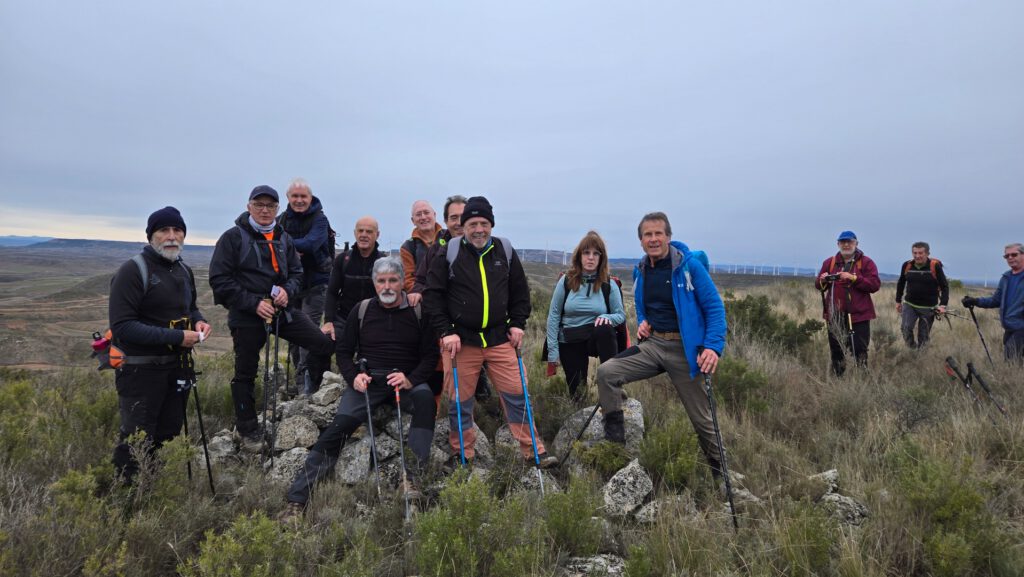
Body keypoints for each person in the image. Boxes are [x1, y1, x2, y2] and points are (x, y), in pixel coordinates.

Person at [281, 257, 438, 520]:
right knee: (339, 427)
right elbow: (343, 352)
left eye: (393, 280)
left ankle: (411, 480)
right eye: (381, 281)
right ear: (374, 283)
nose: (387, 286)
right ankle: (297, 501)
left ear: (402, 282)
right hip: (368, 382)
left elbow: (431, 356)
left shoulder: (419, 312)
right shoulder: (361, 310)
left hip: (405, 381)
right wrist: (354, 377)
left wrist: (411, 379)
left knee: (426, 403)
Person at [424, 196, 557, 468]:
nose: (478, 230)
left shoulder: (504, 251)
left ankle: (533, 452)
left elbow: (520, 294)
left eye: (484, 223)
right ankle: (463, 455)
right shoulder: (448, 253)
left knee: (518, 395)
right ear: (464, 226)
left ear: (491, 225)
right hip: (461, 342)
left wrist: (517, 324)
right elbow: (433, 296)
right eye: (472, 224)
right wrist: (446, 331)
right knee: (460, 402)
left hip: (499, 339)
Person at [593, 212, 727, 480]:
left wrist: (712, 347)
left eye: (658, 233)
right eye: (648, 235)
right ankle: (615, 450)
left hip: (686, 351)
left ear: (668, 236)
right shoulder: (641, 270)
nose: (653, 239)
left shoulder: (688, 267)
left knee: (702, 419)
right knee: (607, 372)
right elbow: (642, 306)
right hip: (653, 345)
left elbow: (714, 308)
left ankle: (720, 473)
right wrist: (644, 322)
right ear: (641, 240)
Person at [209, 185, 334, 452]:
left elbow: (297, 273)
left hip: (281, 310)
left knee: (321, 343)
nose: (265, 210)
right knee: (245, 372)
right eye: (259, 205)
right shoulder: (232, 238)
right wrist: (253, 304)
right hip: (247, 314)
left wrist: (288, 291)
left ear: (277, 209)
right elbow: (219, 280)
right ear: (249, 206)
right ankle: (248, 429)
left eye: (270, 206)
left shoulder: (283, 237)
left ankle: (317, 398)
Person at [109, 206, 212, 482]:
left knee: (167, 433)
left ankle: (150, 488)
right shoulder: (132, 271)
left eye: (178, 230)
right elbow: (123, 326)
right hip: (140, 371)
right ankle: (127, 497)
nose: (172, 236)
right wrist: (177, 337)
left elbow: (190, 308)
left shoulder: (183, 270)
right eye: (164, 230)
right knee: (136, 439)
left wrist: (199, 321)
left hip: (177, 369)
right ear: (151, 236)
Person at [546, 231, 625, 402]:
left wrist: (608, 318)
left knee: (605, 328)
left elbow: (620, 315)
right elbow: (553, 315)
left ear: (601, 258)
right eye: (586, 252)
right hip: (570, 339)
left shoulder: (609, 284)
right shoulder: (566, 281)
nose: (591, 257)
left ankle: (613, 386)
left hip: (596, 338)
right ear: (579, 256)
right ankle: (581, 409)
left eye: (596, 253)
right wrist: (553, 351)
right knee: (577, 395)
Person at [278, 178, 333, 391]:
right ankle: (301, 382)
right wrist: (294, 248)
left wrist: (287, 246)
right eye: (295, 196)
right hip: (291, 286)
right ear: (288, 198)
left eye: (303, 196)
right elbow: (274, 242)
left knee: (308, 333)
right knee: (293, 335)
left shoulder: (320, 219)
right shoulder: (282, 219)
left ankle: (309, 385)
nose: (299, 200)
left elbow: (312, 243)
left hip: (316, 285)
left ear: (310, 197)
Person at [815, 231, 881, 375]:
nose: (846, 245)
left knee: (860, 350)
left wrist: (854, 278)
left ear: (856, 244)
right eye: (842, 242)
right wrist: (823, 280)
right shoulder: (830, 262)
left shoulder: (866, 262)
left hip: (859, 315)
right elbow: (819, 286)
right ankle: (838, 379)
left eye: (849, 242)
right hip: (835, 315)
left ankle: (861, 379)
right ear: (838, 244)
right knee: (836, 350)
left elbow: (875, 285)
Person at [322, 217, 387, 355]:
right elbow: (332, 292)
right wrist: (328, 321)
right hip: (344, 319)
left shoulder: (384, 262)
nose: (364, 235)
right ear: (354, 233)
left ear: (377, 235)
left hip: (374, 320)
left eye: (369, 231)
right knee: (322, 344)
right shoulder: (342, 260)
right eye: (360, 231)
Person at [963, 243, 1024, 362]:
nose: (1010, 258)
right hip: (1009, 326)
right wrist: (975, 301)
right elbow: (996, 300)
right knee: (1015, 363)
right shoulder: (1006, 277)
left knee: (1011, 360)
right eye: (1007, 256)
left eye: (1014, 254)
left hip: (1021, 327)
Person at [895, 241, 949, 349]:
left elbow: (944, 287)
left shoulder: (935, 266)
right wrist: (898, 301)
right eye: (915, 253)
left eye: (920, 253)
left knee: (923, 335)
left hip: (928, 308)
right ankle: (912, 350)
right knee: (905, 328)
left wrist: (943, 305)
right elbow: (901, 283)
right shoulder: (907, 265)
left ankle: (921, 356)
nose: (917, 256)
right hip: (910, 304)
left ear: (927, 253)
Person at [401, 200, 442, 306]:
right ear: (413, 220)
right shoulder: (408, 247)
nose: (423, 217)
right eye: (418, 214)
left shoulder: (449, 237)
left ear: (434, 215)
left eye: (426, 212)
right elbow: (409, 279)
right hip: (423, 300)